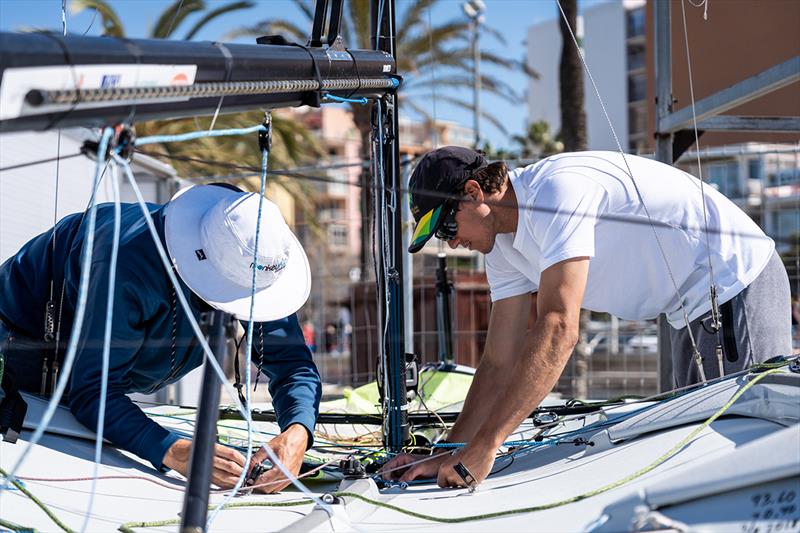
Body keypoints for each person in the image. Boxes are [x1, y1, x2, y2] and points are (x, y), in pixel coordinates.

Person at [384, 146, 792, 489]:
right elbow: (498, 361)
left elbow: (559, 327)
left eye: (447, 225)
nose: (452, 241)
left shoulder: (556, 191)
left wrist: (488, 444)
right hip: (684, 312)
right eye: (441, 236)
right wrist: (451, 450)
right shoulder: (502, 248)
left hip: (733, 282)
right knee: (698, 455)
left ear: (474, 193)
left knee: (747, 455)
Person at [0, 184, 321, 493]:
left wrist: (298, 431)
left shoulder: (257, 262)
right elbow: (95, 392)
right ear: (202, 264)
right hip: (17, 353)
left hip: (88, 379)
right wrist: (174, 451)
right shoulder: (123, 263)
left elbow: (293, 365)